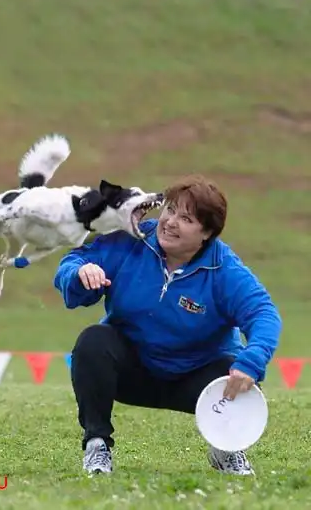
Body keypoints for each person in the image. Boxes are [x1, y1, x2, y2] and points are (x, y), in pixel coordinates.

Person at [53, 174, 282, 476]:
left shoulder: (225, 269)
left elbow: (264, 314)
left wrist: (251, 362)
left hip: (198, 381)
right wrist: (81, 273)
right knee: (93, 341)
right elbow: (73, 262)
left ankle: (226, 447)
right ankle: (97, 446)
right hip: (132, 373)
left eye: (186, 218)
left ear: (207, 233)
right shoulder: (133, 240)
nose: (171, 222)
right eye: (170, 210)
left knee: (236, 371)